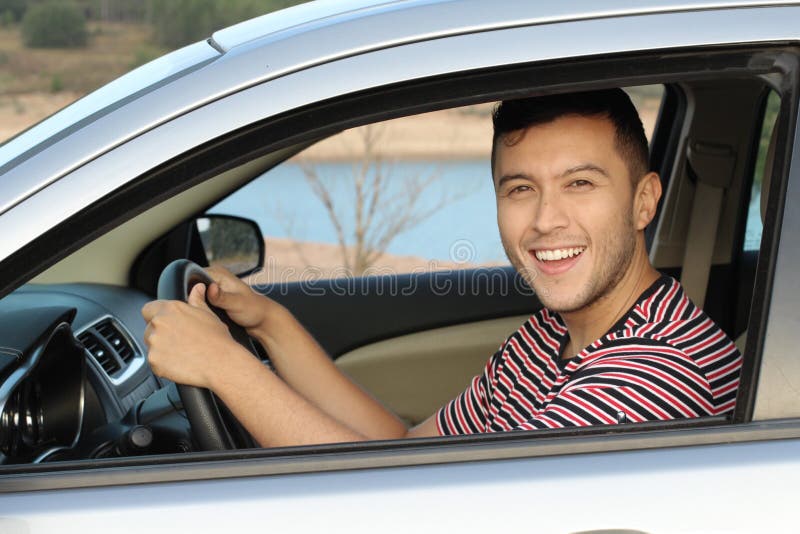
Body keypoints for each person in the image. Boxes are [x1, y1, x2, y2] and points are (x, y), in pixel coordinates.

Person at [142, 89, 742, 447]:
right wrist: (272, 326)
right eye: (520, 189)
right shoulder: (551, 335)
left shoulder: (653, 375)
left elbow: (388, 511)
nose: (545, 220)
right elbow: (406, 452)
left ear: (644, 201)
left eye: (580, 183)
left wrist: (225, 369)